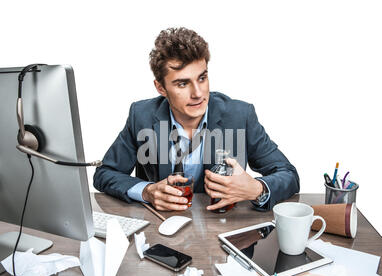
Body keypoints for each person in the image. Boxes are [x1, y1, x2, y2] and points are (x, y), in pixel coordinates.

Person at [93, 27, 300, 212]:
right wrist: (147, 191)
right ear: (161, 88)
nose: (198, 93)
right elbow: (105, 174)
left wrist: (257, 188)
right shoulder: (142, 115)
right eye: (183, 84)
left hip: (224, 233)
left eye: (202, 78)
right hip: (162, 232)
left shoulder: (240, 115)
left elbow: (289, 175)